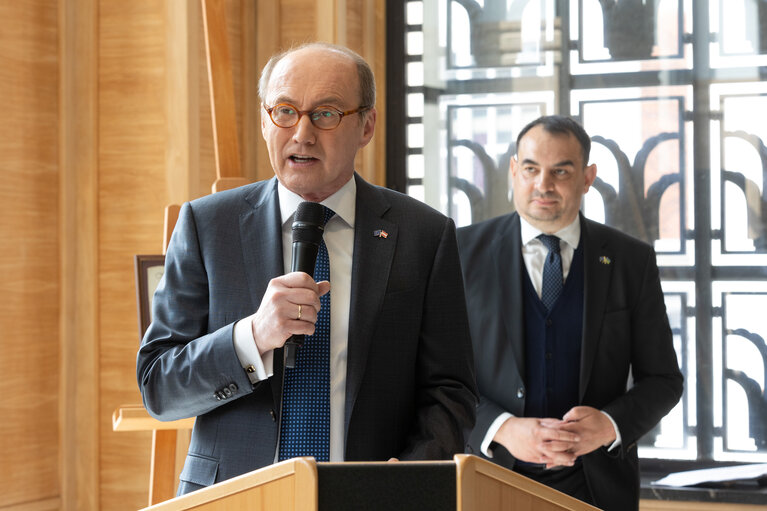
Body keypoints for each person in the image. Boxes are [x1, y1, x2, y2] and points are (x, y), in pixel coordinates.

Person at [137, 42, 477, 495]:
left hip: (369, 499)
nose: (302, 133)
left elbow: (450, 390)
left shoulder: (424, 234)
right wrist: (253, 337)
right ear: (264, 121)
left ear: (367, 125)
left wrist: (411, 472)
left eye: (326, 114)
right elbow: (159, 385)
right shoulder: (207, 224)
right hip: (234, 498)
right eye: (285, 111)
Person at [456, 115, 683, 510]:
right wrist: (502, 428)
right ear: (513, 170)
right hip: (486, 480)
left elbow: (664, 379)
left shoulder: (631, 260)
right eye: (530, 169)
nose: (543, 185)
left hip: (599, 489)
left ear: (587, 177)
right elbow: (434, 378)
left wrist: (609, 425)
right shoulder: (458, 253)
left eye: (561, 171)